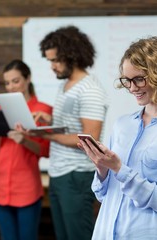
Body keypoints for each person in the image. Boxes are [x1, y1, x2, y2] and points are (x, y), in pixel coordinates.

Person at [78, 36, 157, 239]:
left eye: (139, 79)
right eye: (127, 80)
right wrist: (102, 168)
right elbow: (101, 194)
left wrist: (119, 168)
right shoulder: (122, 124)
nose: (132, 88)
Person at [34, 26, 108, 240]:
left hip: (77, 175)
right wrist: (50, 121)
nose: (52, 66)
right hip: (59, 173)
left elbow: (89, 138)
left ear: (73, 56)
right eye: (49, 61)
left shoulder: (90, 90)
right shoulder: (67, 85)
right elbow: (72, 124)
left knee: (78, 235)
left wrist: (47, 135)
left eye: (55, 60)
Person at [0, 59, 52, 240]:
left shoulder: (42, 110)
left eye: (15, 81)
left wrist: (23, 140)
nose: (10, 87)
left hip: (26, 188)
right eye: (7, 83)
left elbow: (45, 151)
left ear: (27, 79)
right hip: (0, 187)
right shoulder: (1, 108)